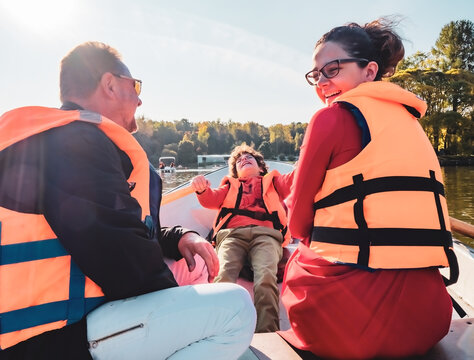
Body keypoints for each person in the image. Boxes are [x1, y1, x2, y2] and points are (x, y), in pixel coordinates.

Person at [0, 41, 256, 360]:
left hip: (68, 325)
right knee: (235, 310)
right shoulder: (73, 143)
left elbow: (114, 228)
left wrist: (178, 238)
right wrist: (181, 316)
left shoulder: (65, 140)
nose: (139, 98)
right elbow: (118, 255)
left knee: (196, 280)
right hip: (50, 342)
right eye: (134, 85)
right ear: (109, 84)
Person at [279, 19, 458, 359]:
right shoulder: (412, 123)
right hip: (431, 318)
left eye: (332, 69)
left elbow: (298, 223)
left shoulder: (329, 119)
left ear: (369, 70)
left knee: (296, 259)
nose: (322, 83)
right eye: (316, 75)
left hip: (352, 328)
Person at [191, 144, 293, 333]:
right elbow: (211, 199)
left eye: (249, 158)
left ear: (261, 167)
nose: (243, 160)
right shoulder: (229, 185)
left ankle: (268, 334)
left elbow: (293, 180)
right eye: (239, 161)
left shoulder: (274, 181)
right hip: (231, 236)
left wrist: (308, 161)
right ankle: (219, 332)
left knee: (265, 277)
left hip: (266, 236)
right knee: (223, 276)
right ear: (236, 172)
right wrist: (201, 189)